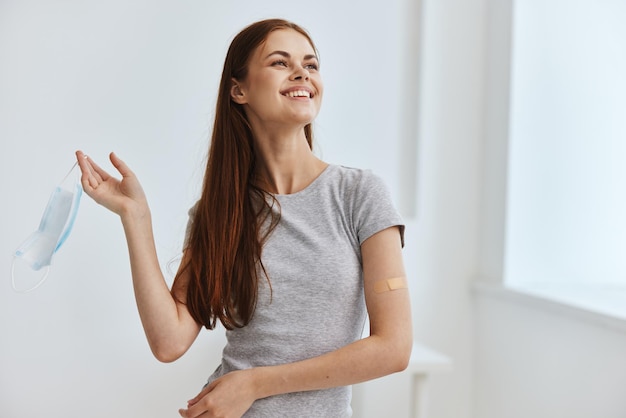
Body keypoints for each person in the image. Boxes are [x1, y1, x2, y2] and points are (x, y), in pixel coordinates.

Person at [76, 18, 412, 418]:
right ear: (239, 90)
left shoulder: (359, 195)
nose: (301, 72)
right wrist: (136, 217)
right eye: (280, 63)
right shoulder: (219, 212)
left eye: (311, 64)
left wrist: (255, 383)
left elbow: (393, 347)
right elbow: (169, 341)